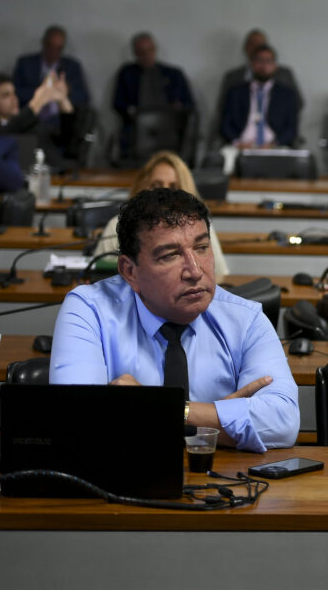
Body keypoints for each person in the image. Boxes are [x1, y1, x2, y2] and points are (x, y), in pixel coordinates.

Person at [50, 188, 298, 452]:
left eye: (202, 248)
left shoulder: (245, 319)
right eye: (170, 255)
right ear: (130, 271)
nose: (194, 270)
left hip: (223, 484)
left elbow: (283, 423)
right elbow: (77, 422)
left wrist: (165, 408)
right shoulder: (90, 310)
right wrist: (221, 416)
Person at [92, 151, 230, 281]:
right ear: (141, 187)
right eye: (156, 185)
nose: (164, 193)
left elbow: (219, 277)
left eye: (173, 186)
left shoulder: (201, 227)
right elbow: (97, 279)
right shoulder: (117, 225)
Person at [218, 44, 300, 171]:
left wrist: (273, 144)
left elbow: (291, 129)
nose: (264, 65)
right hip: (241, 146)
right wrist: (238, 143)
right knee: (224, 161)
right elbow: (225, 124)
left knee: (288, 163)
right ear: (251, 64)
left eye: (268, 61)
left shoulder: (286, 94)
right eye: (259, 61)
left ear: (275, 65)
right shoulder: (235, 92)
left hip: (274, 147)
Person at [112, 32, 195, 155]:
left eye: (150, 50)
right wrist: (132, 111)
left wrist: (178, 108)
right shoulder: (127, 73)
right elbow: (118, 103)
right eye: (141, 52)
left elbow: (189, 104)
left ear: (155, 50)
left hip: (169, 130)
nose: (147, 55)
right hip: (136, 130)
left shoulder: (174, 74)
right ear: (135, 53)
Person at [0, 70, 76, 186]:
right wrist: (37, 102)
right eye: (6, 95)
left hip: (51, 185)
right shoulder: (12, 126)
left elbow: (67, 142)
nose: (14, 98)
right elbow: (5, 133)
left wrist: (63, 101)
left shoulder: (32, 125)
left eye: (14, 93)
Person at [215, 28, 302, 132]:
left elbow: (296, 104)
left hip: (274, 135)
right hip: (241, 135)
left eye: (260, 44)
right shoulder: (233, 77)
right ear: (246, 48)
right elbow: (223, 109)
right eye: (252, 44)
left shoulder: (284, 74)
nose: (256, 48)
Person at [13, 25, 91, 113]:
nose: (54, 52)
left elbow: (84, 97)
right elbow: (14, 93)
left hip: (60, 120)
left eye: (58, 48)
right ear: (44, 43)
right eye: (51, 46)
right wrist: (43, 93)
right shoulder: (25, 64)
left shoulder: (72, 67)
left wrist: (67, 90)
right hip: (31, 116)